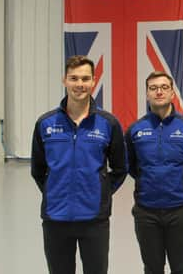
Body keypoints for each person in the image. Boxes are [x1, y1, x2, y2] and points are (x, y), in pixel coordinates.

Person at [31, 55, 127, 274]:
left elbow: (120, 168)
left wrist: (99, 191)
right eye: (74, 78)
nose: (79, 85)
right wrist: (54, 190)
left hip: (94, 218)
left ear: (94, 81)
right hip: (56, 217)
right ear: (64, 80)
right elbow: (38, 170)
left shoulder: (108, 123)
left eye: (85, 78)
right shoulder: (45, 123)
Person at [125, 71, 183, 274]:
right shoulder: (135, 129)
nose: (159, 92)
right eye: (153, 88)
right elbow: (132, 166)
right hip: (146, 212)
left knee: (181, 268)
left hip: (180, 211)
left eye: (164, 87)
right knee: (152, 268)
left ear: (172, 93)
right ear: (147, 94)